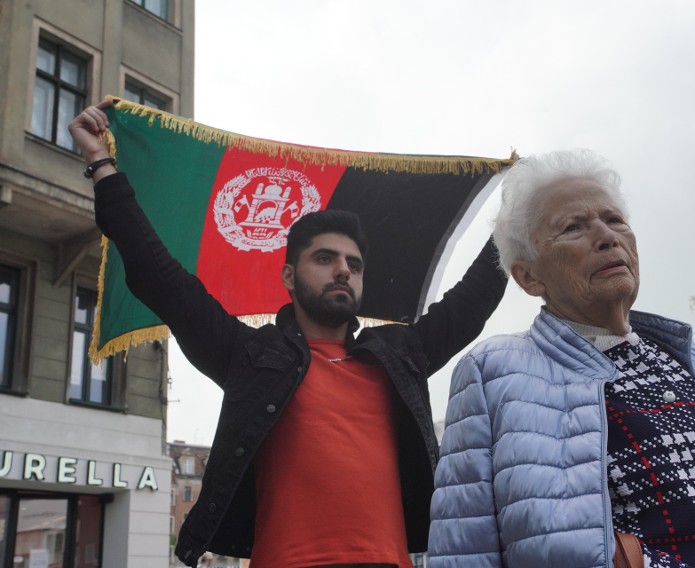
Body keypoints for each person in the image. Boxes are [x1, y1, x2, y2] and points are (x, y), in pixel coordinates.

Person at [68, 101, 508, 568]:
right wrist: (101, 164)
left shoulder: (400, 356)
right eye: (325, 259)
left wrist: (519, 212)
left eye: (353, 265)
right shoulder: (250, 356)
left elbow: (472, 300)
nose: (343, 270)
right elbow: (157, 273)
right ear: (288, 276)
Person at [428, 149, 695, 567]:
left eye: (614, 220)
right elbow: (464, 548)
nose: (607, 236)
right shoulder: (492, 372)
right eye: (574, 226)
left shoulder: (689, 355)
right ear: (528, 276)